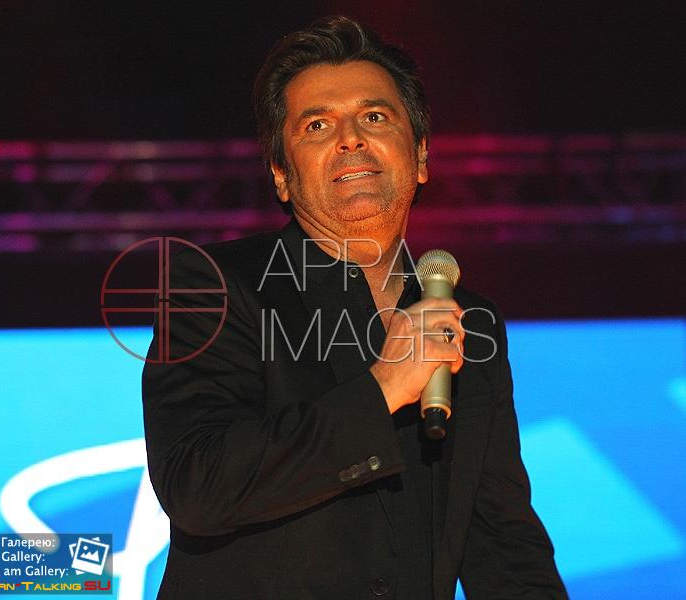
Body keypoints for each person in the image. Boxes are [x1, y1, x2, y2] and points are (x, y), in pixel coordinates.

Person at [142, 16, 567, 600]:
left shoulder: (467, 319)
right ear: (281, 175)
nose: (351, 139)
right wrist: (383, 387)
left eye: (374, 117)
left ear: (420, 155)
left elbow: (502, 543)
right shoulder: (215, 285)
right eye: (317, 125)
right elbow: (199, 487)